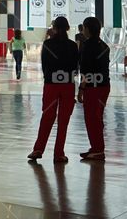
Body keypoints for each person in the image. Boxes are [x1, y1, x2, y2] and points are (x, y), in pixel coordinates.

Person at [28, 16, 78, 163]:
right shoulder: (73, 45)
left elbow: (44, 65)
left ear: (54, 28)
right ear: (68, 28)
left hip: (51, 85)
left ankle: (38, 149)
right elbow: (76, 67)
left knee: (47, 117)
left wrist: (49, 78)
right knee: (63, 120)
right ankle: (59, 153)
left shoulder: (48, 44)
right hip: (68, 85)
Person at [77, 16, 110, 160]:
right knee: (97, 117)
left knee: (91, 118)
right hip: (104, 86)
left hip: (93, 87)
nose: (83, 30)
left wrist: (81, 89)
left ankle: (98, 149)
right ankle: (96, 146)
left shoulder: (88, 45)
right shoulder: (104, 45)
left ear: (88, 29)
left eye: (84, 27)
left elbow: (86, 70)